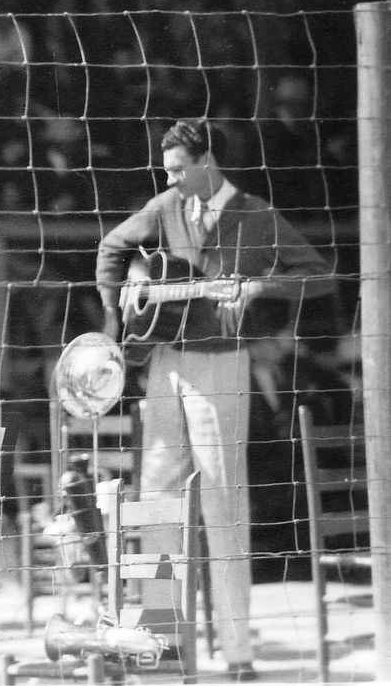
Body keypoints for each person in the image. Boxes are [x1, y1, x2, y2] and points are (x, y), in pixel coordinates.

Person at [95, 118, 334, 681]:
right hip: (164, 365)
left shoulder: (256, 214)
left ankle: (237, 652)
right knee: (155, 500)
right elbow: (112, 246)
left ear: (209, 163)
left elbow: (320, 275)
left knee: (224, 503)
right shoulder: (163, 206)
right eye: (167, 169)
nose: (171, 178)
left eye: (180, 168)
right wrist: (116, 313)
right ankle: (161, 638)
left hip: (224, 364)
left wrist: (257, 287)